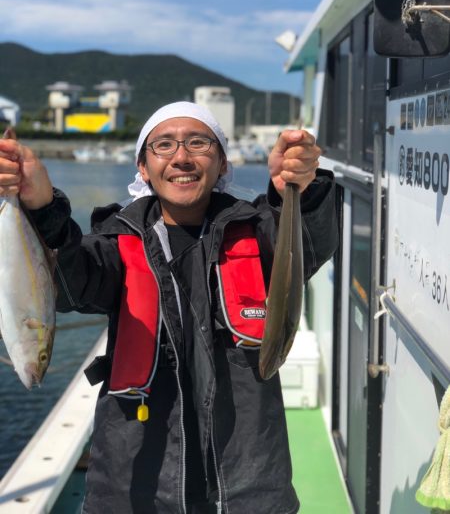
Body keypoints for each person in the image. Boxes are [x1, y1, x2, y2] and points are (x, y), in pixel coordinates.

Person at [0, 101, 338, 514]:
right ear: (143, 167)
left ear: (222, 163)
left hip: (250, 489)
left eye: (198, 142)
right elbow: (73, 282)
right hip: (133, 489)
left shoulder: (260, 237)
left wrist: (301, 188)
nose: (181, 157)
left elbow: (307, 243)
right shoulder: (114, 244)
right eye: (163, 145)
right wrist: (44, 205)